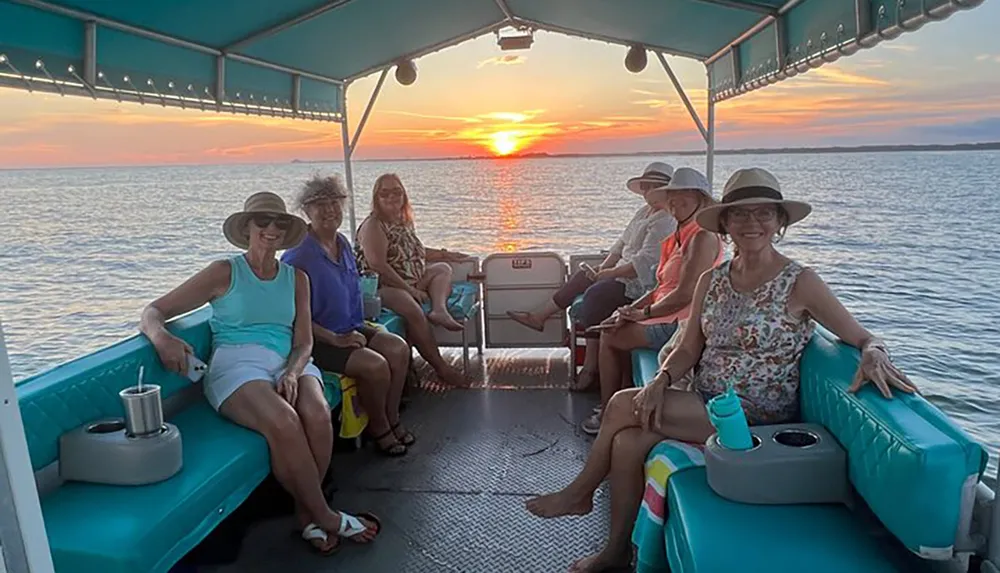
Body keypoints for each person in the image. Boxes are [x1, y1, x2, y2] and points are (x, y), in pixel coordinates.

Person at [524, 168, 918, 573]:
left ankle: (579, 494)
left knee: (623, 406)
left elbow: (862, 335)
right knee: (625, 445)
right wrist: (661, 380)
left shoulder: (801, 282)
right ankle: (615, 554)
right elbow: (689, 347)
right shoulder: (712, 281)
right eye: (740, 214)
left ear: (780, 222)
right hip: (703, 399)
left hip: (754, 417)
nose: (752, 223)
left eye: (764, 213)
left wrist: (873, 352)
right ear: (726, 223)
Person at [139, 192, 381, 556]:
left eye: (279, 223)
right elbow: (153, 310)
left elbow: (303, 343)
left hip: (289, 362)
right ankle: (326, 516)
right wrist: (162, 338)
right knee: (284, 421)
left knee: (317, 415)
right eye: (262, 222)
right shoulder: (224, 272)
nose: (271, 229)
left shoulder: (297, 278)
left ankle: (305, 515)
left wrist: (293, 371)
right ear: (247, 228)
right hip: (237, 365)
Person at [506, 162, 677, 390]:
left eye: (653, 187)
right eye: (645, 187)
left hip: (640, 282)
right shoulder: (644, 212)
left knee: (596, 296)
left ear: (666, 191)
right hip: (620, 273)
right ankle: (539, 317)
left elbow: (642, 263)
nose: (647, 192)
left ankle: (590, 369)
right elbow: (620, 246)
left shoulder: (666, 220)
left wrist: (607, 275)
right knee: (582, 277)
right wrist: (600, 271)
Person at [580, 167, 722, 434]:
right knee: (613, 324)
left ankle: (609, 411)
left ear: (700, 200)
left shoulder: (702, 237)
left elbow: (685, 293)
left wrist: (643, 314)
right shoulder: (679, 236)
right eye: (672, 198)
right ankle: (621, 399)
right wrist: (629, 309)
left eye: (684, 198)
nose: (676, 203)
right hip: (664, 311)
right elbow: (661, 286)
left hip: (682, 321)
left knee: (611, 336)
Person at [282, 175, 414, 457]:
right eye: (320, 205)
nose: (329, 210)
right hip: (316, 340)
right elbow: (291, 315)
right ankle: (379, 429)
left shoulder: (341, 243)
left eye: (334, 203)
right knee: (375, 365)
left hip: (349, 327)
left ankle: (391, 417)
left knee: (398, 349)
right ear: (306, 211)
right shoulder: (298, 256)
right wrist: (335, 338)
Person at [355, 173, 469, 386]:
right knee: (413, 309)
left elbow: (416, 251)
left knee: (442, 269)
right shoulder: (374, 225)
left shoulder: (402, 221)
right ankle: (440, 367)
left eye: (397, 191)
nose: (392, 197)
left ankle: (439, 310)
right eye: (385, 193)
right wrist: (411, 290)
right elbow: (377, 264)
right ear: (376, 198)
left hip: (410, 279)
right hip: (383, 287)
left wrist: (446, 254)